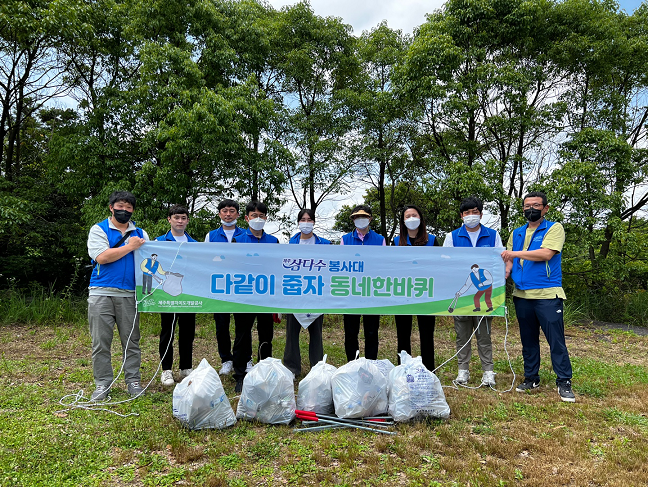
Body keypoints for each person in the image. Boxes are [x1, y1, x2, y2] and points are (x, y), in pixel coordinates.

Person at [501, 191, 575, 402]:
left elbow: (546, 254)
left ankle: (564, 382)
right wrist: (505, 273)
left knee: (556, 341)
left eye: (535, 205)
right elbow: (508, 260)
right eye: (527, 206)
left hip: (547, 294)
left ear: (545, 208)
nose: (530, 209)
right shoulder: (516, 232)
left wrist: (514, 255)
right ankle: (531, 377)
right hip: (521, 294)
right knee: (528, 340)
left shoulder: (554, 228)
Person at [86, 191, 148, 401]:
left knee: (131, 341)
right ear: (111, 207)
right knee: (101, 342)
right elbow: (102, 257)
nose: (124, 210)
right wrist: (129, 246)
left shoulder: (140, 233)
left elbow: (151, 259)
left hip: (130, 294)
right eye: (120, 206)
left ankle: (133, 381)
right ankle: (102, 384)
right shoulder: (99, 229)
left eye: (129, 207)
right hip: (101, 292)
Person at [443, 196, 503, 387]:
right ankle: (463, 371)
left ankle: (488, 372)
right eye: (467, 213)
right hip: (461, 300)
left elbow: (500, 262)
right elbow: (446, 264)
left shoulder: (492, 235)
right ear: (461, 216)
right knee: (462, 335)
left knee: (484, 335)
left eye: (474, 212)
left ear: (481, 214)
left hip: (487, 294)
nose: (471, 216)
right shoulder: (452, 237)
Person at [232, 200, 279, 392]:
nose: (257, 219)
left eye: (261, 216)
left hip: (266, 296)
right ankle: (240, 374)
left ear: (266, 218)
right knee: (242, 334)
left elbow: (278, 268)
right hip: (244, 295)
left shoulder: (274, 242)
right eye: (254, 216)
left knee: (266, 334)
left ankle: (264, 370)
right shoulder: (238, 240)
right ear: (246, 218)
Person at [283, 209, 331, 377]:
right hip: (294, 293)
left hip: (316, 293)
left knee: (316, 334)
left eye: (309, 219)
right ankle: (291, 368)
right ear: (298, 223)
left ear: (314, 223)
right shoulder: (290, 245)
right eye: (302, 219)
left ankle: (317, 367)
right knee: (291, 334)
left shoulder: (325, 244)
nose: (306, 222)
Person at [204, 199, 249, 377]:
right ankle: (226, 360)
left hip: (241, 287)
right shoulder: (211, 236)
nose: (228, 214)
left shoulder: (246, 235)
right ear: (219, 213)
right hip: (220, 287)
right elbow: (206, 260)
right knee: (222, 326)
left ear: (238, 214)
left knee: (243, 326)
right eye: (224, 211)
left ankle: (245, 358)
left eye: (232, 211)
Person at [155, 205, 197, 387]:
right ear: (169, 219)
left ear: (187, 220)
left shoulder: (196, 245)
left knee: (188, 332)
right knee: (167, 332)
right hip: (167, 294)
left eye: (183, 218)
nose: (180, 221)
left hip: (189, 293)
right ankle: (166, 370)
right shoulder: (159, 242)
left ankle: (186, 368)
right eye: (176, 217)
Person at [392, 205, 438, 371]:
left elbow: (440, 266)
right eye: (407, 216)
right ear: (403, 221)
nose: (411, 219)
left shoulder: (432, 240)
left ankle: (429, 370)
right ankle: (403, 370)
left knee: (426, 335)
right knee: (403, 335)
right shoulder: (396, 242)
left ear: (420, 218)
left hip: (426, 293)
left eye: (414, 215)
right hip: (402, 294)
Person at [340, 205, 385, 361]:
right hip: (351, 292)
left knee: (372, 331)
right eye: (357, 217)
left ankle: (371, 363)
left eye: (364, 217)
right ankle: (352, 363)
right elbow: (341, 266)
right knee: (351, 332)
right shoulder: (345, 240)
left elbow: (383, 266)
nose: (361, 220)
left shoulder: (380, 240)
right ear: (353, 220)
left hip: (372, 291)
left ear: (370, 219)